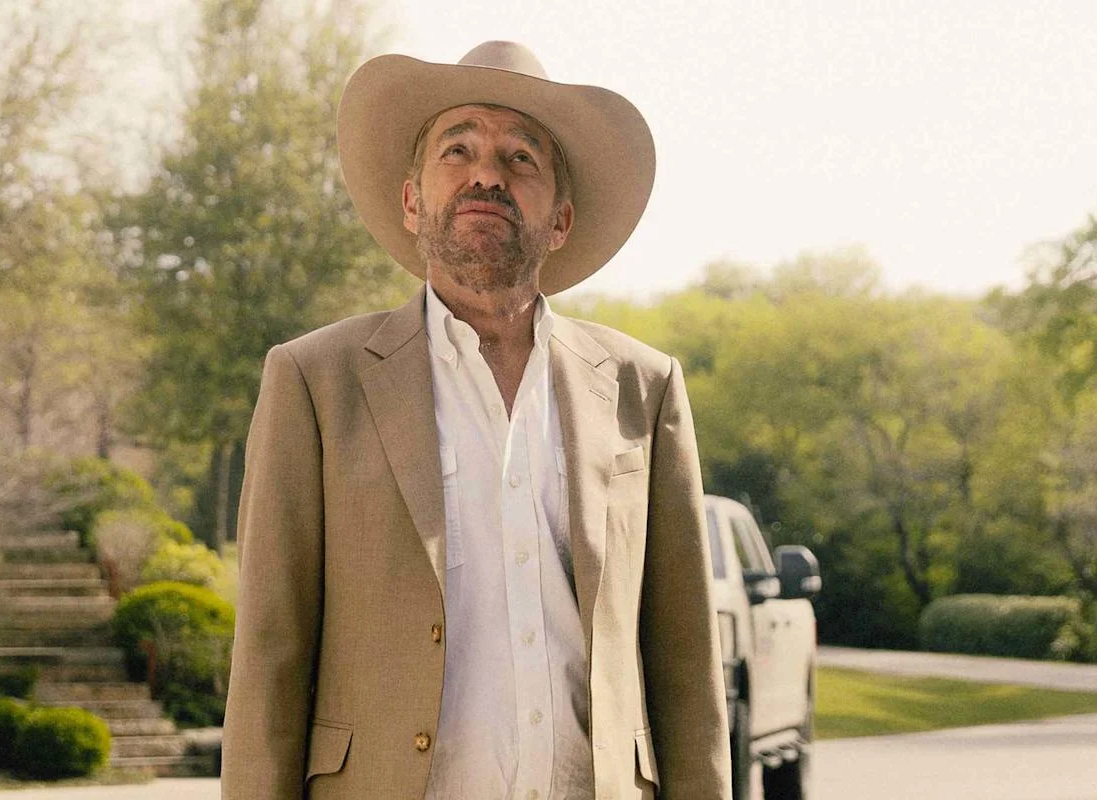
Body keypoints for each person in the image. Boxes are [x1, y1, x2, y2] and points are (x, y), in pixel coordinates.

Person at [221, 41, 731, 800]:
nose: (487, 174)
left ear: (560, 220)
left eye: (521, 157)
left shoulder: (643, 389)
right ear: (411, 202)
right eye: (456, 150)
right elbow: (271, 652)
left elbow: (686, 661)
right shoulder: (315, 383)